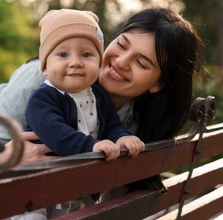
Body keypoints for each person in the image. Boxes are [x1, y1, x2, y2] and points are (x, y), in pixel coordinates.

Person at [0, 7, 203, 219]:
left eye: (141, 62)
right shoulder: (43, 77)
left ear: (158, 84)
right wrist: (4, 158)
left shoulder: (134, 117)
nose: (120, 62)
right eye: (122, 44)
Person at [25, 9, 144, 160]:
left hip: (81, 174)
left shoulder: (99, 95)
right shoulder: (42, 99)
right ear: (45, 67)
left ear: (99, 63)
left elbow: (112, 126)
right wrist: (91, 146)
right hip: (44, 174)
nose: (75, 63)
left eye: (86, 54)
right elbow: (56, 134)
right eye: (63, 55)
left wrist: (122, 137)